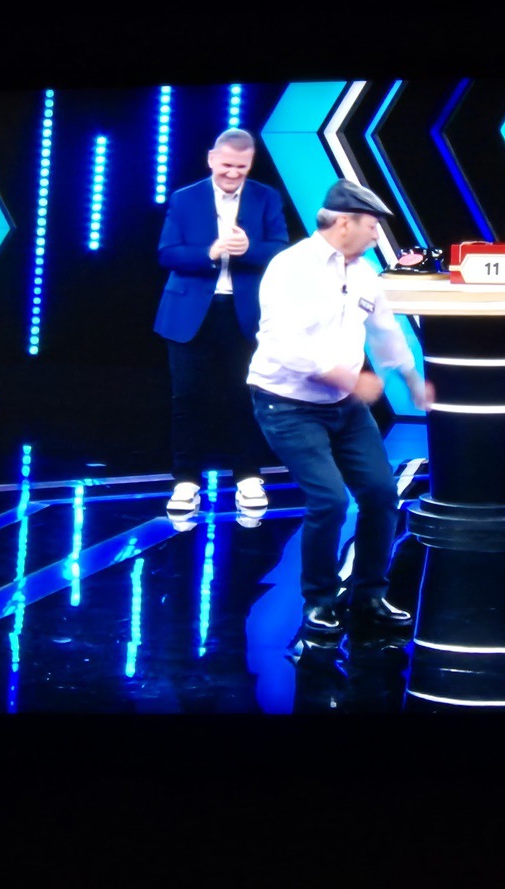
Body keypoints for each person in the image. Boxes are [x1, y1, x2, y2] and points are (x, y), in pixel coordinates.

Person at [247, 179, 435, 637]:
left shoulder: (365, 273)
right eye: (372, 225)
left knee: (381, 495)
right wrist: (348, 378)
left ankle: (369, 595)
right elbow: (284, 345)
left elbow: (386, 332)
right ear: (345, 222)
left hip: (344, 407)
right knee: (329, 500)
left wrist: (412, 380)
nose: (377, 234)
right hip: (287, 404)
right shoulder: (290, 268)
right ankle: (319, 601)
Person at [153, 127, 289, 522]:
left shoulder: (266, 197)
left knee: (246, 395)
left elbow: (281, 250)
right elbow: (167, 253)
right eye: (227, 165)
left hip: (245, 313)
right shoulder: (185, 198)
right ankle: (185, 481)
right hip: (189, 313)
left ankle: (248, 476)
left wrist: (250, 249)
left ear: (250, 164)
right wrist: (210, 251)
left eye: (241, 167)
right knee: (187, 398)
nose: (232, 173)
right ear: (212, 158)